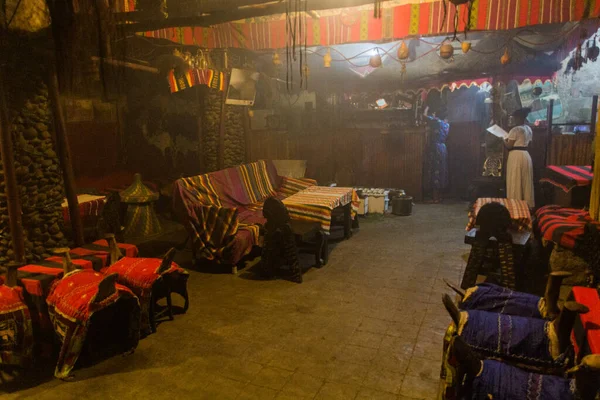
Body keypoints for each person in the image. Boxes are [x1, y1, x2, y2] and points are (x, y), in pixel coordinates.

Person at [505, 108, 534, 207]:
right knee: (526, 180)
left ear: (518, 118)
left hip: (516, 155)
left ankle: (515, 203)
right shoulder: (528, 129)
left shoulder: (515, 130)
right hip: (525, 155)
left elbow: (509, 145)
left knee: (515, 178)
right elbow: (529, 144)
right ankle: (527, 204)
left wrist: (503, 139)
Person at [423, 105, 450, 203]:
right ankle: (440, 196)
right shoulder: (446, 124)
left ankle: (435, 198)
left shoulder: (437, 122)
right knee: (442, 171)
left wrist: (426, 108)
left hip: (435, 148)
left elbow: (424, 116)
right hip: (443, 148)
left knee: (435, 171)